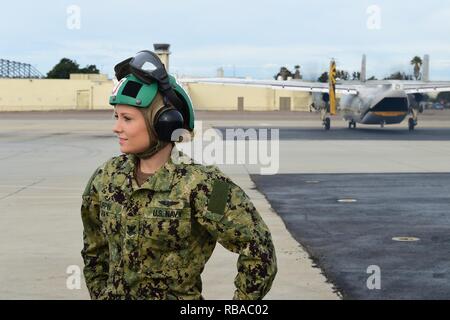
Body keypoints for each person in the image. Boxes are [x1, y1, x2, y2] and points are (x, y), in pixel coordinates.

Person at [80, 50, 277, 300]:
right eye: (116, 116)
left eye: (127, 119)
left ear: (164, 123)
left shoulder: (206, 186)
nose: (116, 127)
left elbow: (259, 250)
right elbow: (94, 251)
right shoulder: (106, 178)